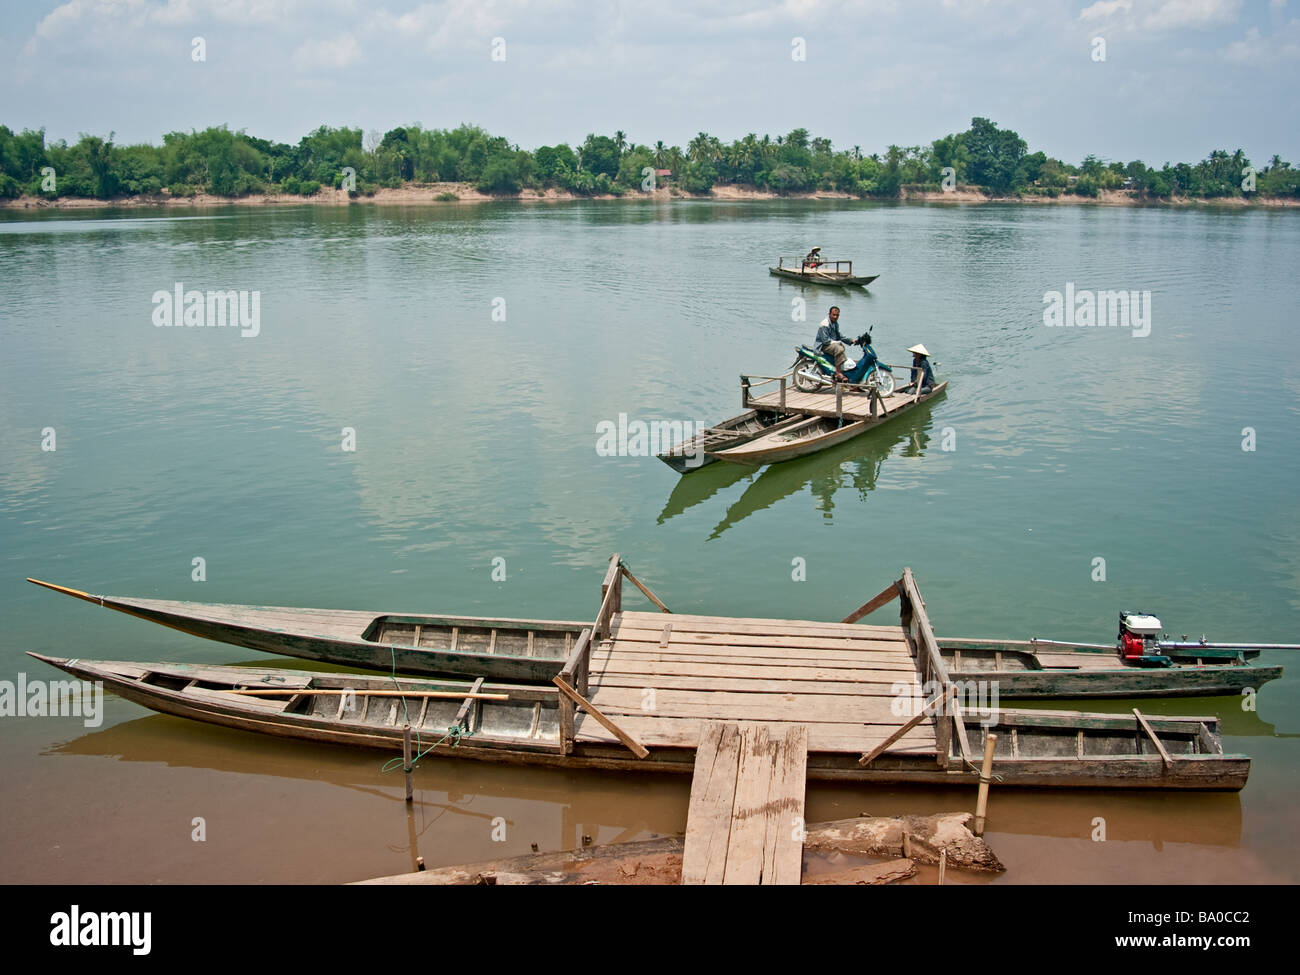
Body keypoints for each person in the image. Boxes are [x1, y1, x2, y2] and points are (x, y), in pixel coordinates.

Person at [814, 306, 851, 381]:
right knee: (838, 348)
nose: (835, 317)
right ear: (829, 314)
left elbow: (839, 335)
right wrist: (839, 343)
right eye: (834, 315)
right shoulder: (825, 324)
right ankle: (838, 373)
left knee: (841, 350)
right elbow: (825, 341)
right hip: (822, 346)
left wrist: (851, 341)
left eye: (837, 315)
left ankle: (842, 372)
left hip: (830, 344)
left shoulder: (835, 323)